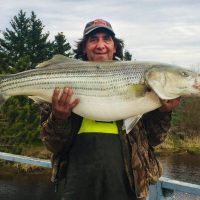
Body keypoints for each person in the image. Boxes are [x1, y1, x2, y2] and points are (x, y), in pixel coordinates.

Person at [40, 19, 180, 200]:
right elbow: (52, 145)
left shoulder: (145, 86)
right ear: (84, 48)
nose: (100, 45)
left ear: (115, 47)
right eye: (93, 39)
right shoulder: (61, 83)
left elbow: (154, 139)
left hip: (127, 189)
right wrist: (59, 118)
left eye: (106, 39)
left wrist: (163, 112)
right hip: (75, 190)